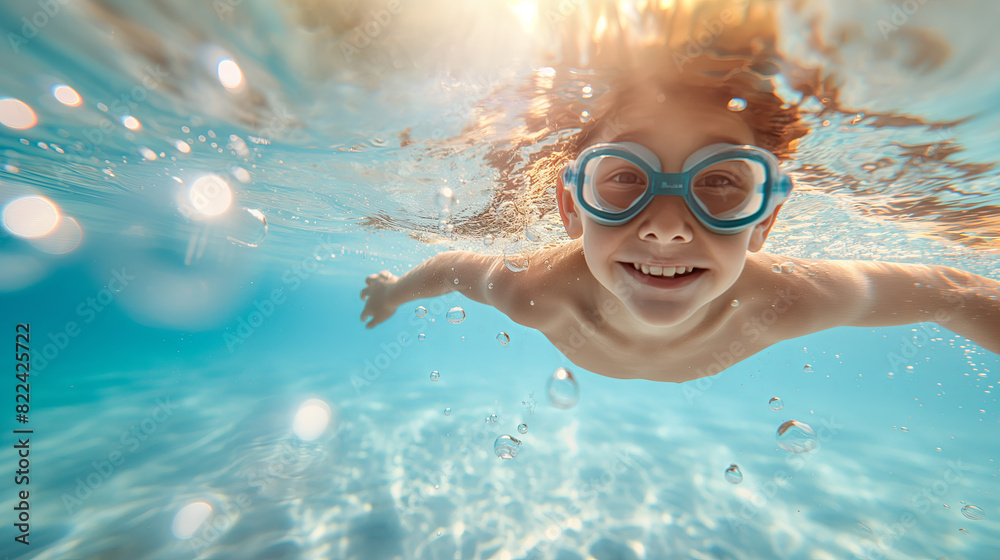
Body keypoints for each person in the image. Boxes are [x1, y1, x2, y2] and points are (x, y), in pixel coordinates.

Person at [359, 68, 1000, 383]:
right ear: (571, 208)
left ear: (765, 221)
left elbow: (952, 290)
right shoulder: (537, 289)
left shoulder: (786, 298)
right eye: (625, 176)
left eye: (721, 182)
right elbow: (449, 269)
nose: (667, 228)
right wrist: (392, 292)